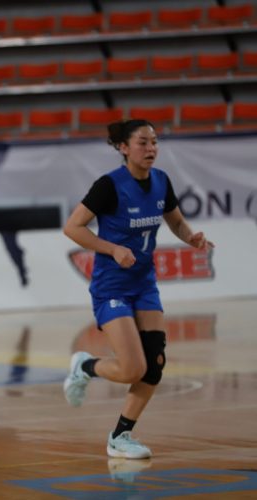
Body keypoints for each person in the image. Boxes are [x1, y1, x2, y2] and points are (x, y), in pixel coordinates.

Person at [62, 119, 213, 459]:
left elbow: (175, 219)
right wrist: (112, 248)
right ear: (124, 148)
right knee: (133, 369)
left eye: (154, 142)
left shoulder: (161, 181)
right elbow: (72, 227)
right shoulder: (110, 185)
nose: (151, 148)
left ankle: (121, 436)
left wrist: (190, 237)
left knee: (154, 363)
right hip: (111, 286)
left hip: (145, 284)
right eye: (143, 142)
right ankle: (85, 367)